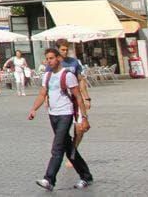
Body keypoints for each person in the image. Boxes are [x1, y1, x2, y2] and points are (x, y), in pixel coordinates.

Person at [28, 47, 92, 191]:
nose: (49, 61)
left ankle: (49, 179)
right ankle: (86, 176)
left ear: (58, 58)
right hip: (53, 114)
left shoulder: (67, 75)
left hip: (66, 114)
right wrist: (33, 109)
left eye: (51, 58)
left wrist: (84, 118)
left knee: (57, 147)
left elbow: (78, 98)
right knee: (68, 148)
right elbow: (42, 94)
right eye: (47, 59)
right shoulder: (48, 76)